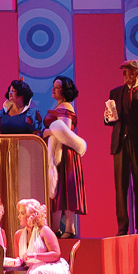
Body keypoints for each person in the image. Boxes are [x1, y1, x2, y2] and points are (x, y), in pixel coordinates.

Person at [104, 59, 138, 234]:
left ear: (137, 74)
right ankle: (122, 226)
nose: (125, 76)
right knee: (120, 187)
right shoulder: (115, 93)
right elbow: (109, 120)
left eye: (127, 72)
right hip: (120, 144)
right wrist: (107, 117)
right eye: (125, 72)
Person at [42, 75, 87, 237]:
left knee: (65, 189)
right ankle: (57, 228)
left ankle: (69, 228)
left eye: (58, 87)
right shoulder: (61, 106)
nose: (54, 89)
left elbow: (63, 132)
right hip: (58, 151)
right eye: (54, 86)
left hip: (64, 154)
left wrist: (47, 132)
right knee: (58, 190)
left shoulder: (65, 107)